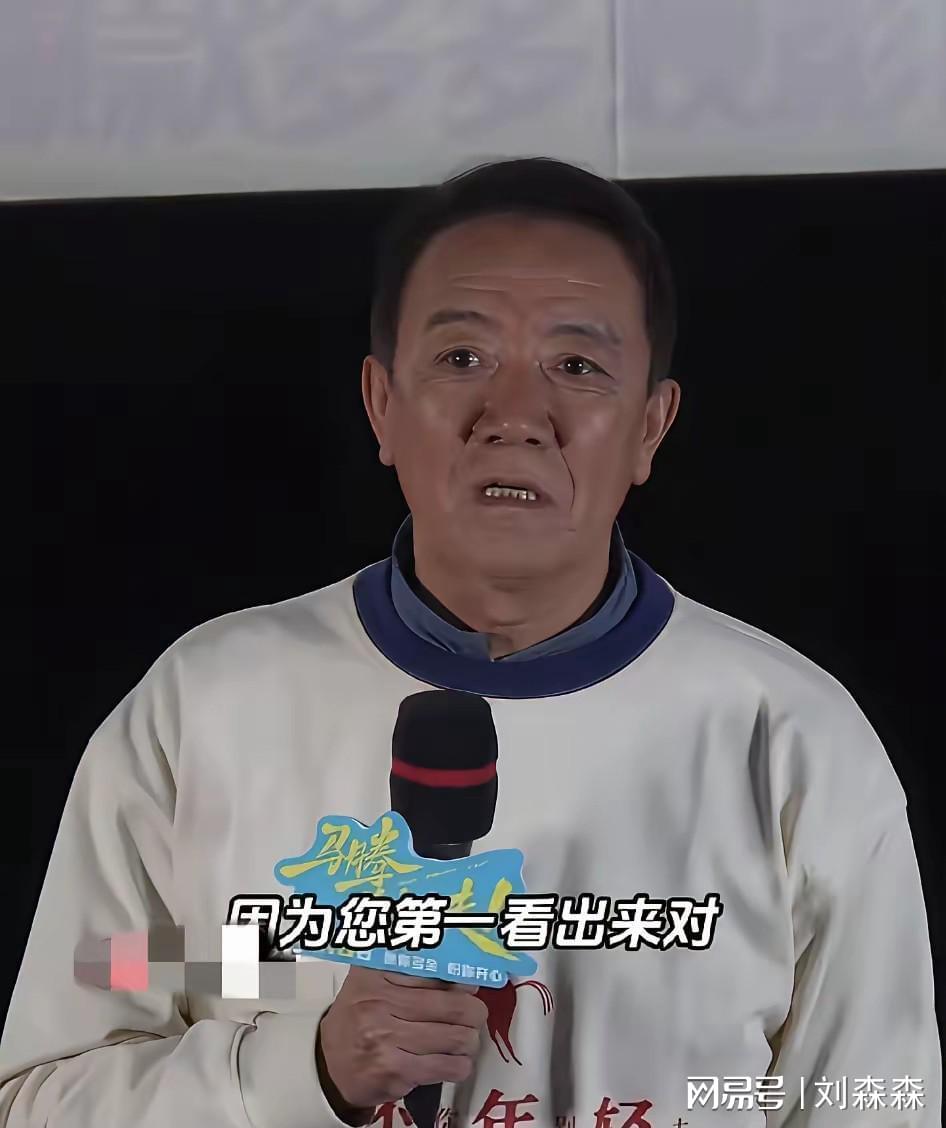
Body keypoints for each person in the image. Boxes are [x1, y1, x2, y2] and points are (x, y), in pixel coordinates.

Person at [0, 157, 939, 1127]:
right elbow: (40, 1097)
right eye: (461, 359)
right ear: (382, 405)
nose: (516, 416)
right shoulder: (206, 710)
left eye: (577, 366)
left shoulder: (789, 738)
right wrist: (303, 1070)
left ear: (650, 428)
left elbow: (875, 1098)